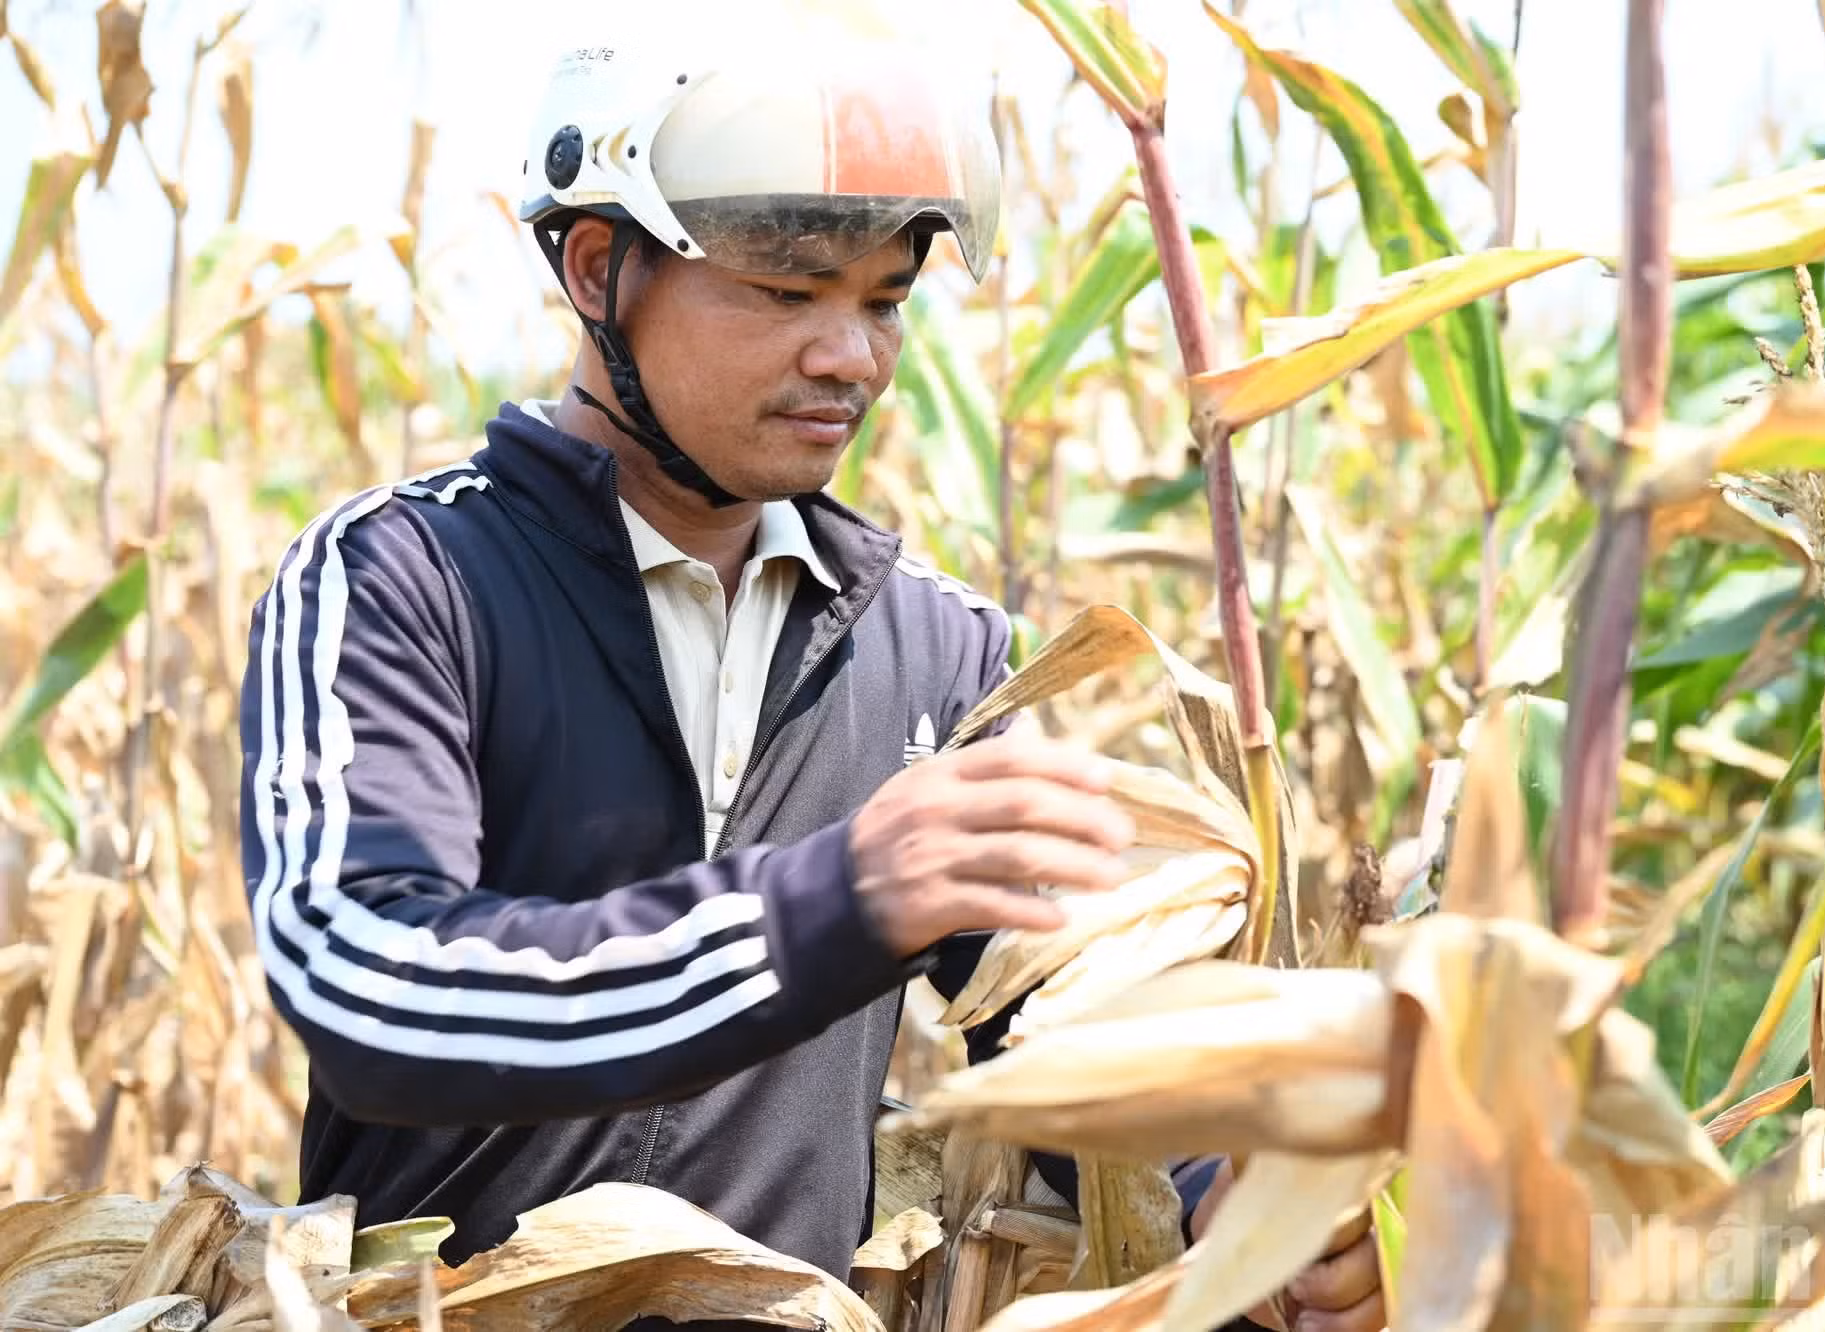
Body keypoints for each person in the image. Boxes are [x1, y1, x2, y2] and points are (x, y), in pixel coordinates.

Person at [235, 8, 1382, 1330]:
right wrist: (826, 906)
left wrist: (1220, 1189)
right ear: (600, 269)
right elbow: (375, 994)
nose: (852, 358)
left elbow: (1057, 1018)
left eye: (883, 300)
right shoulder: (405, 579)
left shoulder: (936, 649)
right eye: (787, 293)